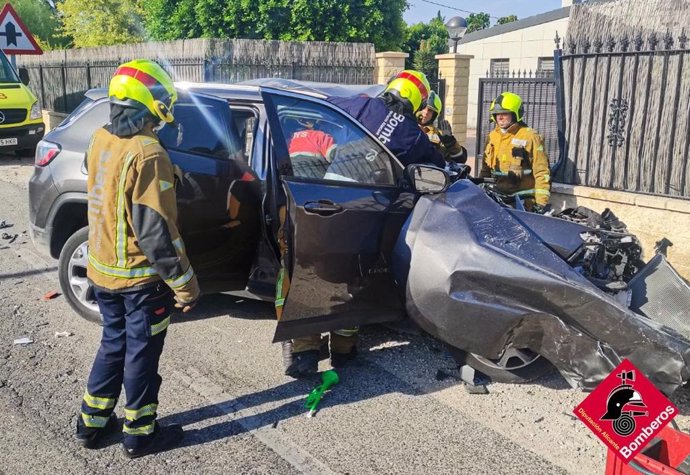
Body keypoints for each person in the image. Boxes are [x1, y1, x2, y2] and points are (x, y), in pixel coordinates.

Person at [279, 70, 444, 379]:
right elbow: (436, 167)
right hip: (366, 214)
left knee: (314, 278)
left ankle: (303, 354)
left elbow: (322, 108)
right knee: (352, 282)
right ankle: (344, 352)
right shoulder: (411, 134)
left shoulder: (360, 106)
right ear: (414, 101)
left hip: (327, 206)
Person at [75, 59, 200, 458]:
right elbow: (155, 232)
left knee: (113, 345)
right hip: (141, 282)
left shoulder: (99, 139)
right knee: (141, 353)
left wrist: (167, 175)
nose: (166, 107)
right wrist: (185, 285)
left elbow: (110, 185)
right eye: (163, 99)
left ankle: (91, 424)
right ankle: (140, 432)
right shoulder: (149, 153)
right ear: (150, 103)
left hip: (102, 271)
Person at [479, 92, 551, 211]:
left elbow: (541, 172)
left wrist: (541, 204)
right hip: (497, 200)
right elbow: (485, 170)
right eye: (497, 114)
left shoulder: (530, 136)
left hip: (522, 203)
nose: (500, 118)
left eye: (504, 114)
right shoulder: (492, 137)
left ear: (516, 114)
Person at [417, 90, 467, 164]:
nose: (426, 112)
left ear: (434, 115)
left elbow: (460, 160)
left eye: (430, 110)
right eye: (424, 107)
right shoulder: (406, 127)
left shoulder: (440, 136)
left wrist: (451, 143)